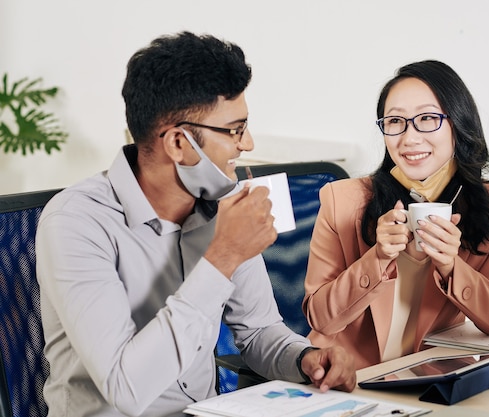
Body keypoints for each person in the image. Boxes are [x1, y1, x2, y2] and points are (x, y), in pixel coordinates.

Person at [35, 31, 355, 417]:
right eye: (235, 129)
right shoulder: (75, 223)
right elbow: (125, 388)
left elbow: (257, 333)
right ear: (177, 143)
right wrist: (224, 255)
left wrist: (306, 357)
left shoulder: (222, 204)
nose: (248, 143)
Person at [302, 60, 489, 370]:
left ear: (457, 122)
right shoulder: (343, 200)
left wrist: (449, 265)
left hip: (432, 379)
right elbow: (321, 320)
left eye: (428, 118)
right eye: (395, 122)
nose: (409, 138)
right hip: (348, 378)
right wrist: (377, 258)